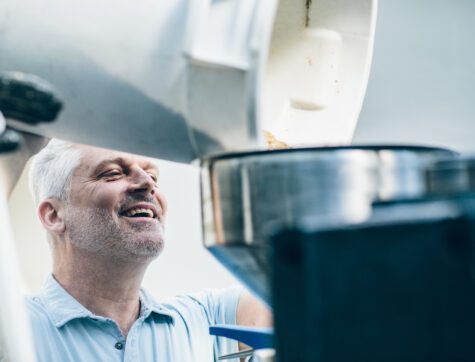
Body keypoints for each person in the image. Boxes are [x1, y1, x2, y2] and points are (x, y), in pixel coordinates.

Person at [4, 137, 271, 361]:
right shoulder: (16, 325)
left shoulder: (207, 318)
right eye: (112, 173)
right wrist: (14, 153)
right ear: (53, 215)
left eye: (153, 175)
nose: (148, 183)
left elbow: (299, 293)